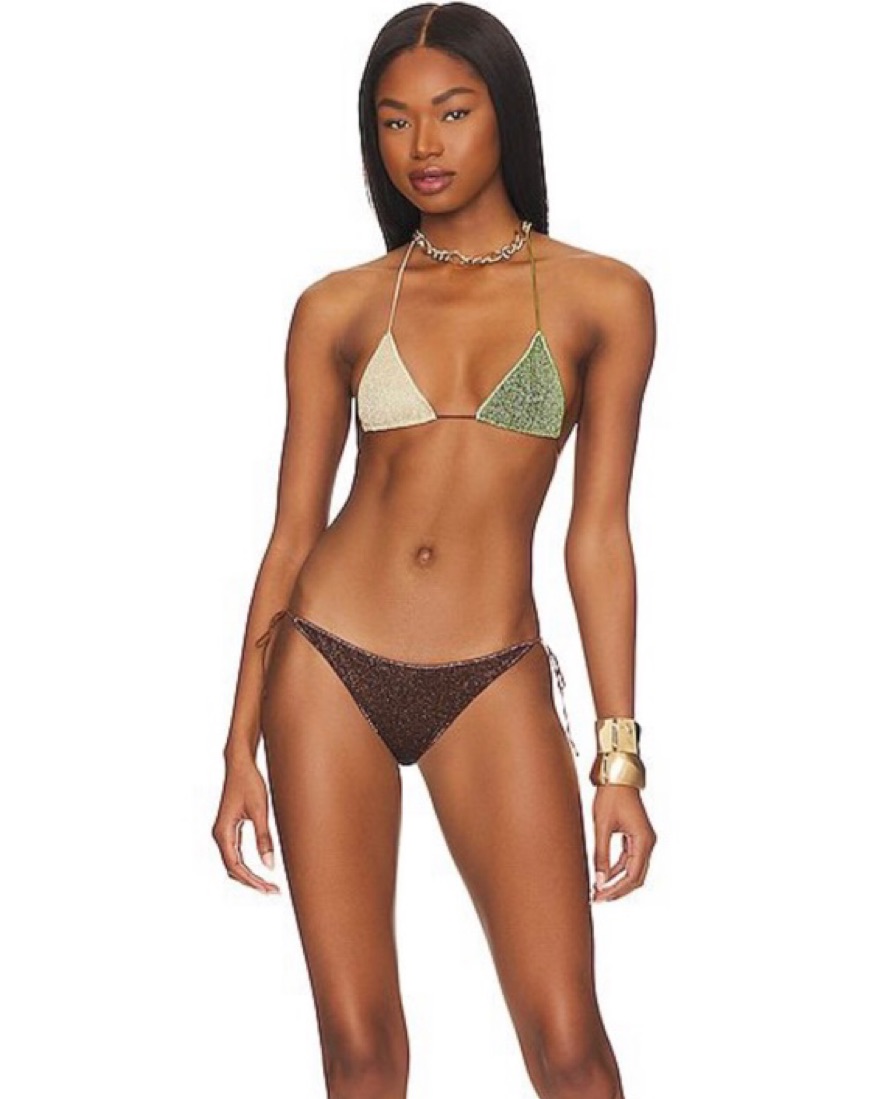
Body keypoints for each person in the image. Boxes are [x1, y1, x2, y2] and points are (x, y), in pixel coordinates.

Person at [212, 4, 658, 1096]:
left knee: (569, 1045)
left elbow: (598, 535)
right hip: (328, 659)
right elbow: (290, 534)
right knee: (360, 1050)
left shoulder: (605, 296)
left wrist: (618, 758)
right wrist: (235, 749)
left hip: (490, 672)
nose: (422, 145)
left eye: (452, 113)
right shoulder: (338, 306)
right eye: (394, 119)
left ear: (506, 113)